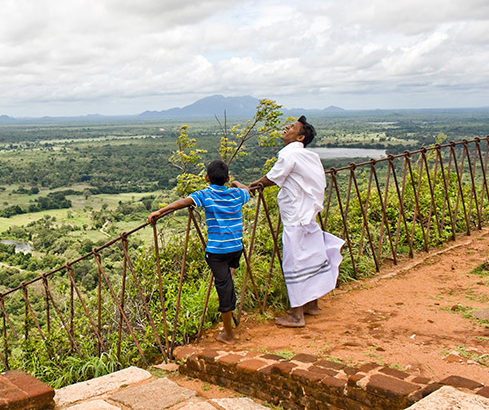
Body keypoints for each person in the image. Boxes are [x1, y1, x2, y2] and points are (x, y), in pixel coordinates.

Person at [249, 116, 345, 328]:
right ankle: (312, 304)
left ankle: (296, 314)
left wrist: (255, 184)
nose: (286, 127)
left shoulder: (289, 153)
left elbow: (274, 176)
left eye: (292, 127)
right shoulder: (310, 156)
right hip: (308, 214)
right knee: (310, 257)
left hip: (295, 216)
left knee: (294, 261)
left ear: (300, 137)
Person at [148, 159, 250, 343]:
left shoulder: (205, 194)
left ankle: (228, 334)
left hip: (217, 252)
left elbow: (182, 202)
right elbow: (247, 190)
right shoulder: (236, 194)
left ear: (206, 178)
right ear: (227, 178)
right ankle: (227, 283)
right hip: (236, 248)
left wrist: (160, 211)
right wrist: (236, 183)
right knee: (228, 275)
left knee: (224, 289)